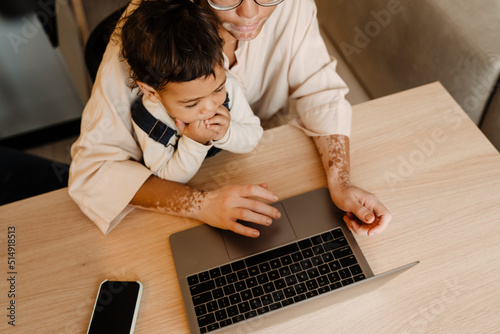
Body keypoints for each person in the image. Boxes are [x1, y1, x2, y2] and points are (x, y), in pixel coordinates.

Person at [69, 0, 391, 238]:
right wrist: (201, 205)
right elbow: (93, 171)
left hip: (254, 165)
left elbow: (321, 92)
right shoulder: (139, 39)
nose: (250, 14)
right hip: (166, 197)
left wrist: (341, 181)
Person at [120, 0, 262, 184]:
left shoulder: (229, 85)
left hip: (233, 175)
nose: (210, 106)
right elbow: (165, 176)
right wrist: (195, 142)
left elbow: (254, 136)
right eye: (192, 103)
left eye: (218, 89)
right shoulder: (150, 119)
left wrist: (226, 133)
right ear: (151, 92)